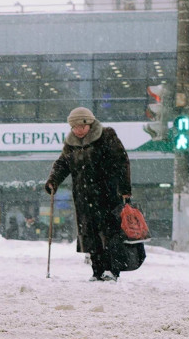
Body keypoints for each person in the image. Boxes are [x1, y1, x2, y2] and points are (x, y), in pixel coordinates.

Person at [45, 107, 131, 281]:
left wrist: (124, 190)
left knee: (109, 232)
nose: (78, 130)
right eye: (74, 127)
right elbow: (62, 164)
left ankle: (112, 270)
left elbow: (122, 162)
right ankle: (97, 270)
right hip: (84, 197)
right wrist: (53, 181)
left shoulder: (106, 136)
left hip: (107, 194)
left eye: (81, 126)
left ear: (89, 124)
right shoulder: (71, 143)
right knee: (90, 234)